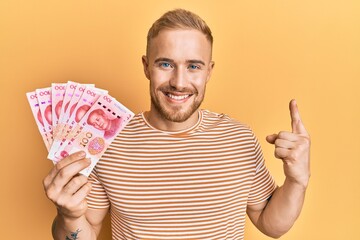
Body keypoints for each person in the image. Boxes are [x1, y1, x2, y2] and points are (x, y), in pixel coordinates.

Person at [43, 9, 311, 240]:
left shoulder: (239, 138)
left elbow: (271, 224)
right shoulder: (108, 142)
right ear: (147, 67)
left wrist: (297, 180)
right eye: (166, 64)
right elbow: (84, 232)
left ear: (209, 71)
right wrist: (68, 216)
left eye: (193, 66)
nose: (179, 82)